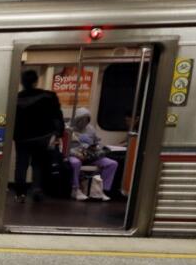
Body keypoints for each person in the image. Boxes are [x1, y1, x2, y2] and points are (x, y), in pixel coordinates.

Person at [12, 69, 65, 202]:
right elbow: (58, 117)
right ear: (36, 81)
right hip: (43, 137)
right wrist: (58, 133)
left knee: (21, 164)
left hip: (22, 138)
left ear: (22, 82)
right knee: (38, 164)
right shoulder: (48, 96)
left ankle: (20, 194)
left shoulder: (16, 99)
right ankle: (36, 189)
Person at [67, 108, 118, 201]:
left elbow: (96, 142)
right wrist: (75, 153)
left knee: (112, 164)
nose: (84, 122)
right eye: (81, 119)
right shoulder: (68, 129)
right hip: (74, 154)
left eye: (86, 119)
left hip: (90, 155)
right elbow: (64, 147)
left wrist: (97, 147)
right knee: (75, 163)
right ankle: (76, 189)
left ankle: (101, 190)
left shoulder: (90, 129)